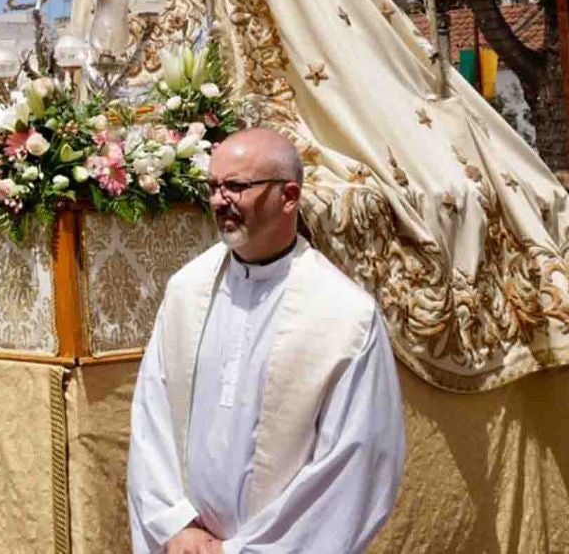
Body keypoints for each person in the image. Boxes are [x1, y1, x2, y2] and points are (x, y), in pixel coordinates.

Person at [127, 128, 404, 554]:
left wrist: (242, 551)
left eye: (236, 186)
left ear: (289, 196)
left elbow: (356, 459)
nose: (220, 201)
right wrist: (175, 523)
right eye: (214, 187)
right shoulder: (188, 290)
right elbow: (152, 415)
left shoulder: (344, 315)